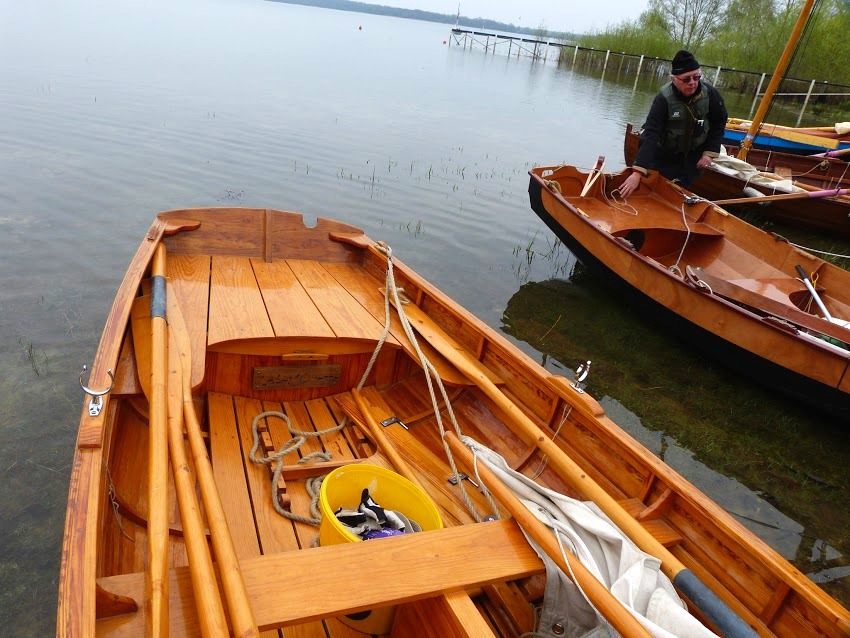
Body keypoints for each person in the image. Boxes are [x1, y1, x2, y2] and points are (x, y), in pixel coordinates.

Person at [619, 50, 728, 198]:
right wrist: (637, 172)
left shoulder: (711, 94)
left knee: (676, 195)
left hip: (692, 159)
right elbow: (651, 134)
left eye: (696, 77)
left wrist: (709, 153)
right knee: (654, 194)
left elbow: (719, 123)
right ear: (674, 79)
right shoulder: (663, 99)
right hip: (665, 156)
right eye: (686, 79)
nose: (693, 83)